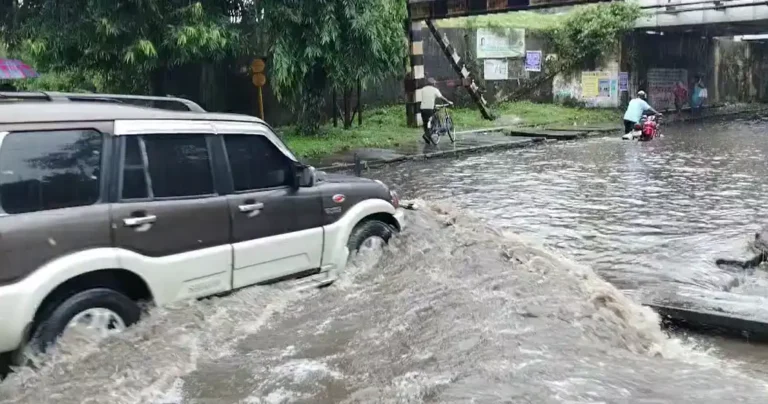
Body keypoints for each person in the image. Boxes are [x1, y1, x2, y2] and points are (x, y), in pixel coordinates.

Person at [420, 78, 452, 143]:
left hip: (422, 108)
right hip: (429, 108)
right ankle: (427, 134)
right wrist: (448, 102)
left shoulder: (423, 89)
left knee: (425, 122)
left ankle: (427, 136)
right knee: (432, 119)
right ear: (433, 84)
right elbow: (442, 97)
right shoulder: (435, 90)